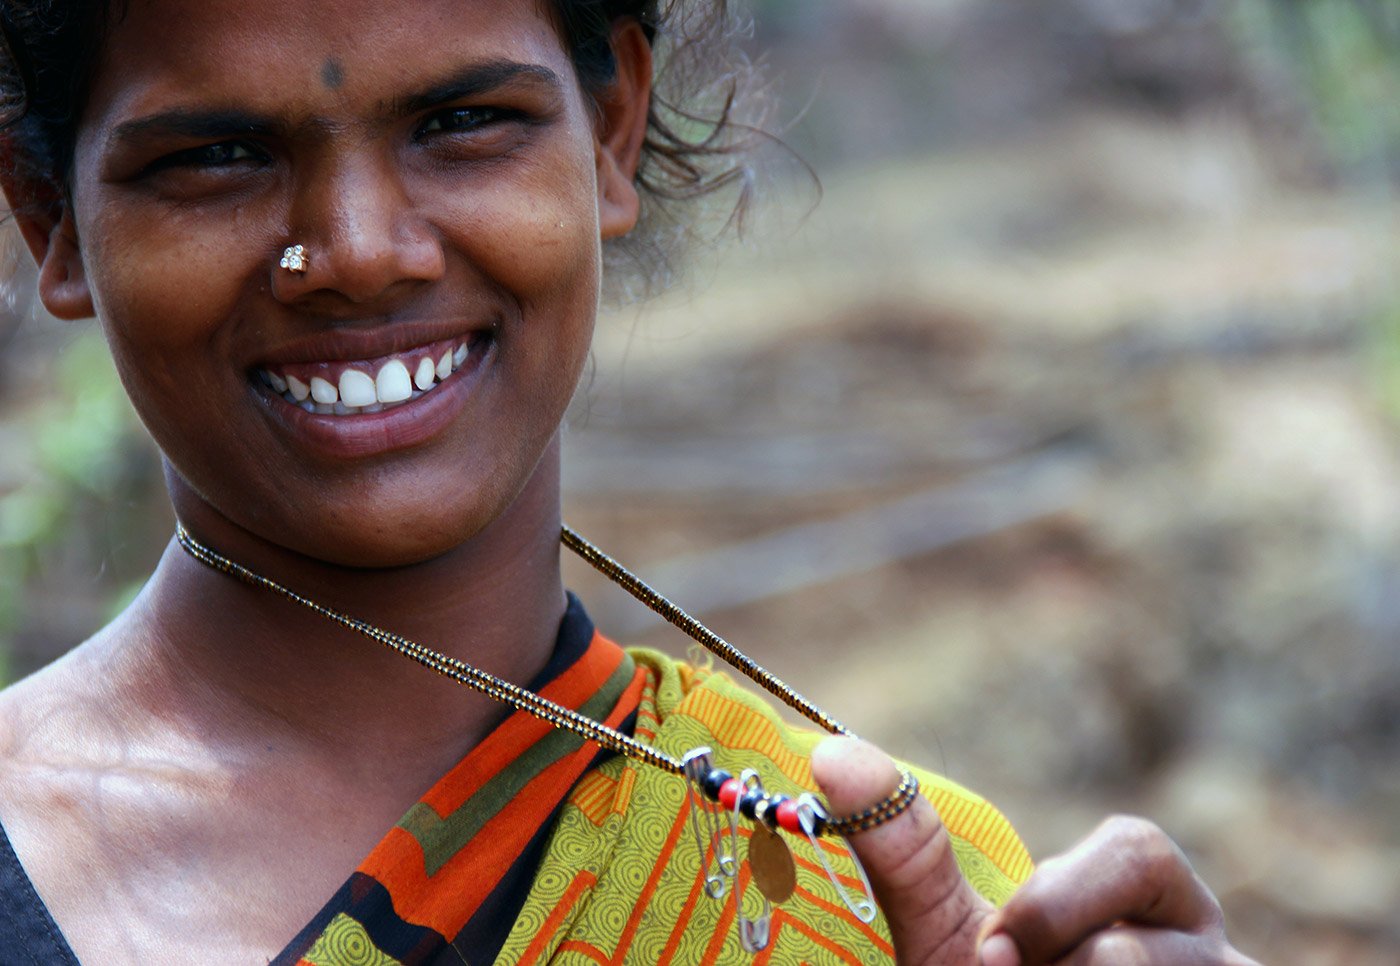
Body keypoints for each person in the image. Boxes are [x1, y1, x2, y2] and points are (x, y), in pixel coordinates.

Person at [0, 0, 1259, 963]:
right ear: (50, 214)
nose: (360, 252)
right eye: (218, 154)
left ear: (610, 131)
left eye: (458, 123)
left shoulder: (885, 902)